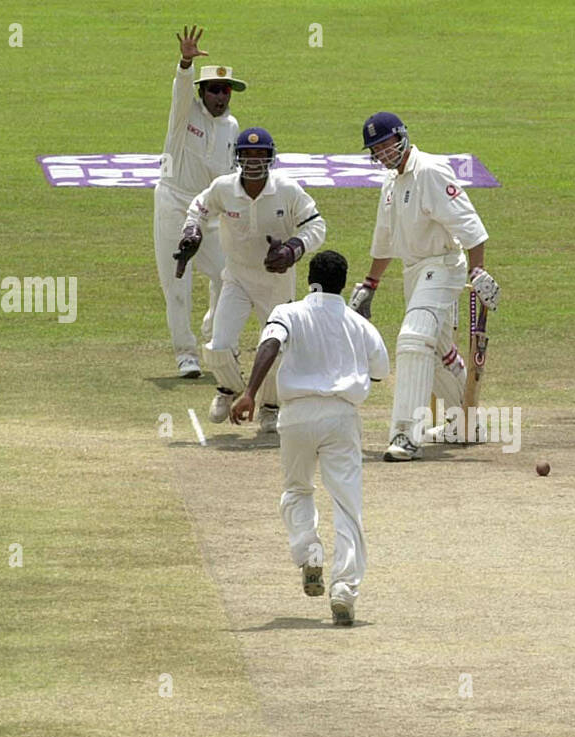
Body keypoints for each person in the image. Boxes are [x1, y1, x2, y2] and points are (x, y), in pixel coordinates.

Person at [230, 251, 389, 626]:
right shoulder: (358, 323)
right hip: (341, 417)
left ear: (309, 280)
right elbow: (380, 371)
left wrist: (251, 392)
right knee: (348, 506)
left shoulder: (289, 312)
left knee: (297, 490)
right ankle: (344, 590)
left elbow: (271, 343)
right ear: (343, 282)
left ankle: (309, 550)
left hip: (297, 415)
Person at [348, 111, 500, 461]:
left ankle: (405, 434)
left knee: (412, 338)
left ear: (402, 137)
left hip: (443, 265)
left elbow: (471, 227)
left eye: (386, 143)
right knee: (435, 350)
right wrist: (371, 283)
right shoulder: (390, 182)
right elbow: (385, 240)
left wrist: (477, 273)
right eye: (376, 148)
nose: (383, 152)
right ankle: (465, 421)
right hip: (415, 271)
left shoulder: (430, 171)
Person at [179, 127, 326, 435]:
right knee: (219, 344)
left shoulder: (287, 190)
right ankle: (228, 389)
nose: (254, 160)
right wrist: (192, 230)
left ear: (271, 157)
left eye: (260, 154)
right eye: (248, 154)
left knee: (277, 348)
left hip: (277, 282)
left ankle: (270, 408)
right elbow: (199, 208)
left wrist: (292, 248)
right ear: (238, 157)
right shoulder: (224, 188)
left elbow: (316, 225)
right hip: (236, 277)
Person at [155, 25, 243, 378]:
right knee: (177, 283)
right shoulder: (184, 115)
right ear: (202, 92)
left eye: (226, 91)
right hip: (173, 204)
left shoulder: (232, 126)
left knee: (227, 275)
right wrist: (185, 63)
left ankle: (213, 333)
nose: (222, 97)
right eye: (215, 90)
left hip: (208, 210)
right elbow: (180, 90)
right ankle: (185, 354)